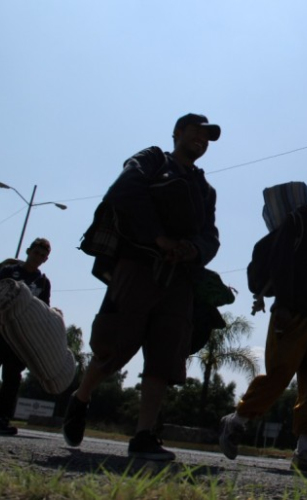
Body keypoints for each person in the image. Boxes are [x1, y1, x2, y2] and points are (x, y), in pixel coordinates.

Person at [61, 113, 221, 461]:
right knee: (115, 345)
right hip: (138, 266)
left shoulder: (205, 190)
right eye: (196, 131)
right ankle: (81, 398)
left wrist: (192, 249)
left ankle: (144, 436)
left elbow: (211, 237)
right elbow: (123, 191)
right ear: (177, 132)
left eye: (207, 136)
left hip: (179, 278)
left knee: (164, 356)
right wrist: (157, 237)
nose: (201, 139)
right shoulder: (151, 160)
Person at [219, 176, 307, 473]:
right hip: (291, 314)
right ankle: (237, 420)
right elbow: (281, 262)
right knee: (279, 375)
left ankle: (305, 451)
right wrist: (281, 303)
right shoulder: (298, 222)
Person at [0, 238, 52, 435]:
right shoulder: (9, 272)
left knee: (12, 378)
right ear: (28, 251)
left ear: (45, 259)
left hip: (19, 338)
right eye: (35, 252)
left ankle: (2, 418)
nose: (37, 257)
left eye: (42, 255)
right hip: (1, 329)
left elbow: (43, 310)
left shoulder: (43, 282)